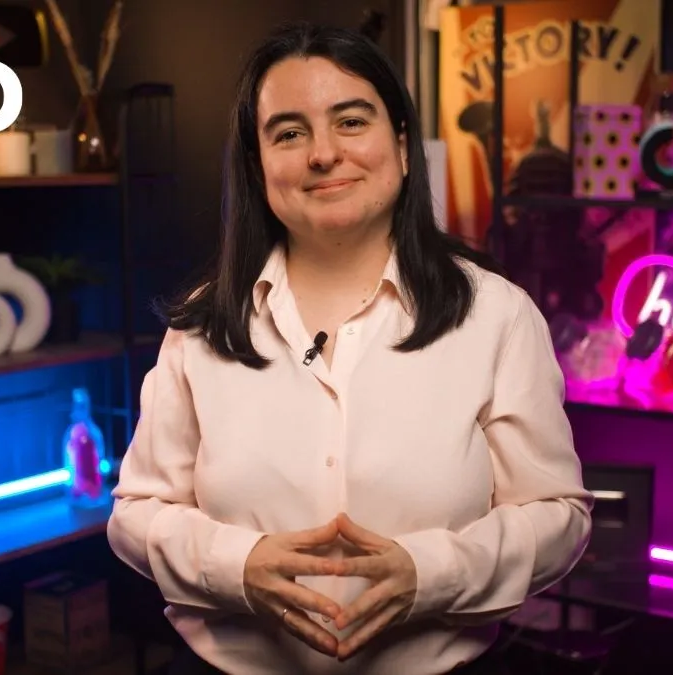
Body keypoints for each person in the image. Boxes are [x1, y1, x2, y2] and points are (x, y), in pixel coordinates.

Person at [107, 21, 593, 675]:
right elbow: (136, 513)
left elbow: (558, 515)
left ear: (401, 145)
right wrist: (236, 566)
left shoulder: (496, 315)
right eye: (289, 133)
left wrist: (434, 573)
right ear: (257, 166)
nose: (323, 153)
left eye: (351, 121)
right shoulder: (202, 324)